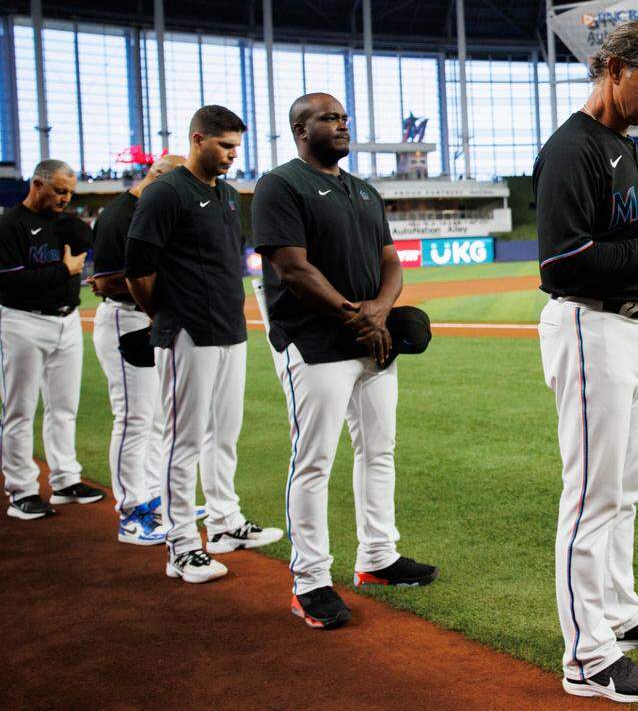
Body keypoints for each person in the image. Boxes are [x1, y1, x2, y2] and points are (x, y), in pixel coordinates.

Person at [533, 21, 638, 704]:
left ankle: (620, 615)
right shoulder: (571, 149)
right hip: (586, 326)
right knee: (592, 498)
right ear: (610, 68)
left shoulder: (622, 146)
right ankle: (587, 658)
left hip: (627, 331)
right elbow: (562, 260)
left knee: (627, 491)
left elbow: (628, 242)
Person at [252, 93, 437, 630]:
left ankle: (377, 558)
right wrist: (356, 316)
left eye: (344, 117)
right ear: (300, 129)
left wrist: (379, 312)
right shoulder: (280, 185)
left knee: (378, 450)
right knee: (313, 462)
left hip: (371, 342)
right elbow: (292, 268)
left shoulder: (363, 190)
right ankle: (310, 581)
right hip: (314, 342)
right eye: (328, 118)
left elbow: (390, 260)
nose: (341, 124)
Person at [125, 105, 282, 584]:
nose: (234, 154)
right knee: (184, 440)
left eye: (237, 145)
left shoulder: (230, 194)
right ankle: (181, 545)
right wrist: (167, 317)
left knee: (224, 434)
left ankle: (225, 523)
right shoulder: (166, 193)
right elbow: (138, 272)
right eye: (225, 145)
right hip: (188, 330)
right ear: (197, 139)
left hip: (229, 328)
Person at [91, 154, 195, 545]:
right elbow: (105, 279)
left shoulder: (152, 207)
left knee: (152, 416)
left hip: (149, 319)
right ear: (160, 177)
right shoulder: (120, 214)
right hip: (125, 319)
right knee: (133, 417)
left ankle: (151, 495)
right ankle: (130, 511)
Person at [0, 160, 105, 519]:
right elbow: (11, 283)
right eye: (59, 190)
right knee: (20, 410)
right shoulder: (9, 225)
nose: (65, 198)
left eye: (70, 192)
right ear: (37, 185)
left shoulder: (65, 224)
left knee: (63, 407)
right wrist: (63, 270)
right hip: (22, 322)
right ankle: (22, 490)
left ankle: (65, 479)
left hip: (67, 320)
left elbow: (94, 244)